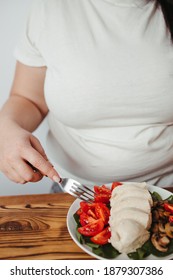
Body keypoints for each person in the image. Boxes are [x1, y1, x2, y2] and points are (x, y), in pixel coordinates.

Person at [0, 0, 173, 190]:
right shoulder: (51, 8)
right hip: (76, 190)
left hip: (167, 188)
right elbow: (28, 98)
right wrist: (6, 130)